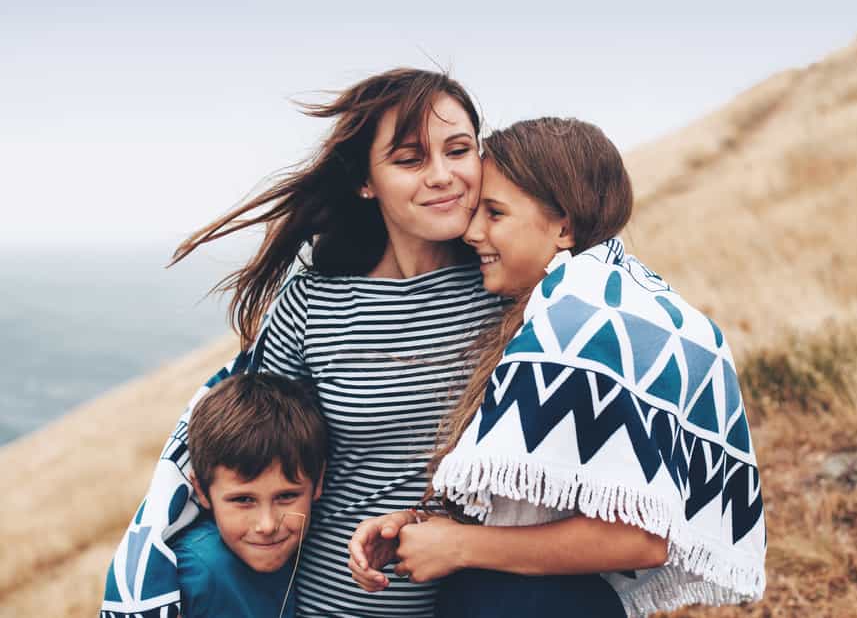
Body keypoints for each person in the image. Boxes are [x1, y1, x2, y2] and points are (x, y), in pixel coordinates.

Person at [102, 68, 503, 618]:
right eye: (410, 160)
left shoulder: (512, 291)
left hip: (482, 596)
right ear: (366, 182)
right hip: (326, 605)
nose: (443, 175)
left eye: (458, 150)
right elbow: (260, 446)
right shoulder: (312, 307)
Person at [348, 118, 767, 617]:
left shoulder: (583, 326)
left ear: (564, 226)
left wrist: (459, 546)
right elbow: (546, 494)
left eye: (495, 213)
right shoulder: (595, 303)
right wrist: (423, 524)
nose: (473, 231)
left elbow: (639, 539)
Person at [173, 373, 326, 617]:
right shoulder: (195, 574)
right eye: (243, 500)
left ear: (318, 481)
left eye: (286, 496)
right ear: (201, 490)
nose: (267, 525)